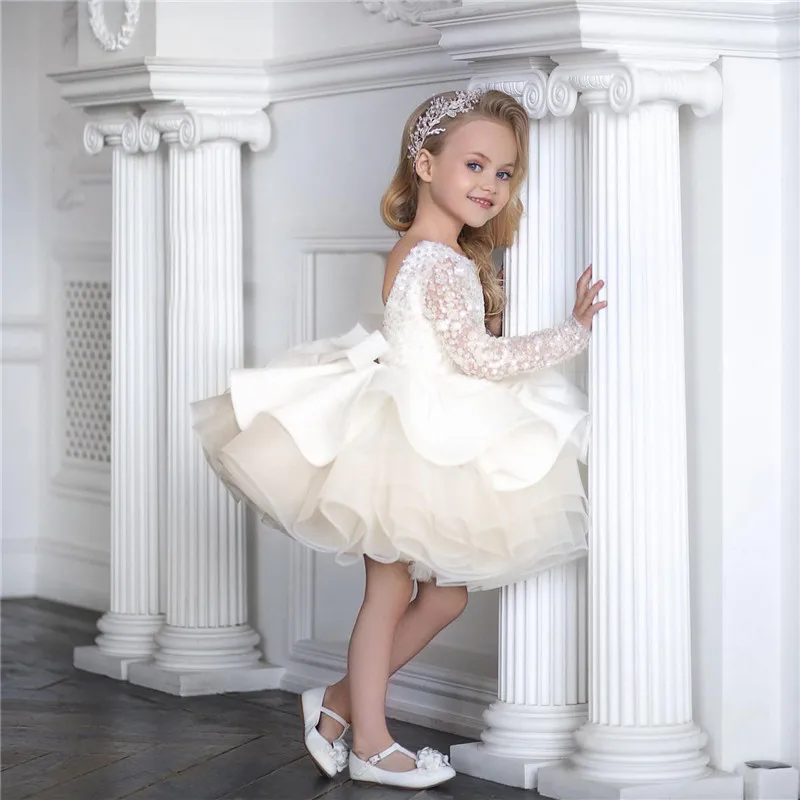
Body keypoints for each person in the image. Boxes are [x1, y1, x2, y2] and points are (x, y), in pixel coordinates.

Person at [191, 87, 606, 790]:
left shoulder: (425, 251)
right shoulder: (439, 261)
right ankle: (371, 743)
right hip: (412, 434)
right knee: (392, 594)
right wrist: (573, 332)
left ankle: (337, 705)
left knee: (442, 595)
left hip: (419, 425)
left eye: (505, 173)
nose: (491, 184)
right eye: (475, 165)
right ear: (425, 164)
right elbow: (477, 359)